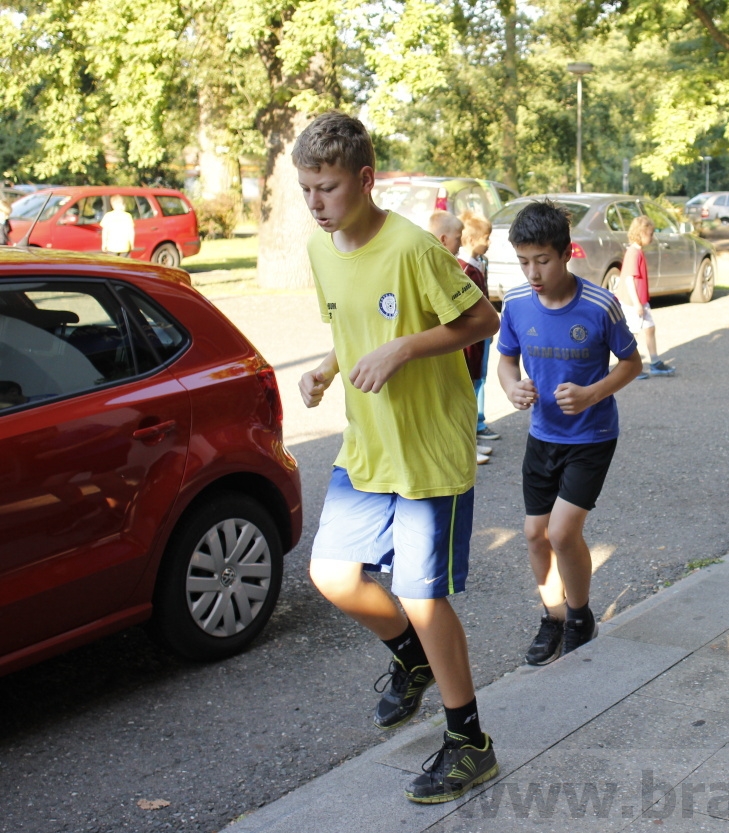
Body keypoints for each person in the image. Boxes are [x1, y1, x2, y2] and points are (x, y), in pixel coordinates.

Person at [293, 111, 501, 805]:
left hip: (426, 453)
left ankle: (469, 740)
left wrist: (405, 347)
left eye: (326, 188)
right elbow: (356, 327)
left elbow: (483, 320)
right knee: (330, 574)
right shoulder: (322, 250)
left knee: (421, 594)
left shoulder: (413, 248)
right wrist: (329, 366)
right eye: (306, 190)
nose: (316, 203)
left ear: (365, 178)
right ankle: (410, 660)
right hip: (366, 445)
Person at [496, 200, 642, 666]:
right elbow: (505, 359)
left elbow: (632, 364)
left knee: (561, 532)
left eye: (542, 260)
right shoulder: (517, 303)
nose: (533, 272)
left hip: (592, 435)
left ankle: (579, 616)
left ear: (565, 253)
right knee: (534, 534)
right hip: (543, 435)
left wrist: (591, 393)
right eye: (523, 262)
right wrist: (511, 388)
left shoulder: (601, 305)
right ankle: (552, 615)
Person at [429, 210, 493, 465]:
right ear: (444, 239)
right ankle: (462, 448)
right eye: (458, 237)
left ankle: (468, 444)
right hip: (460, 348)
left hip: (470, 345)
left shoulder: (457, 264)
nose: (461, 240)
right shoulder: (454, 267)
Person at [458, 210, 501, 442]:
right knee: (471, 378)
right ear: (473, 240)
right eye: (486, 237)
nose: (489, 242)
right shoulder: (464, 268)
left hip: (481, 334)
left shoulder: (480, 263)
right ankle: (471, 427)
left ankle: (478, 422)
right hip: (470, 337)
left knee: (480, 377)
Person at [617, 215, 675, 379]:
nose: (652, 237)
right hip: (633, 302)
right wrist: (636, 303)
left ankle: (655, 361)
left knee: (649, 328)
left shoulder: (637, 252)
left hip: (641, 301)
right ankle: (630, 367)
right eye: (650, 234)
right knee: (632, 333)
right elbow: (629, 279)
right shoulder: (633, 253)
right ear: (640, 233)